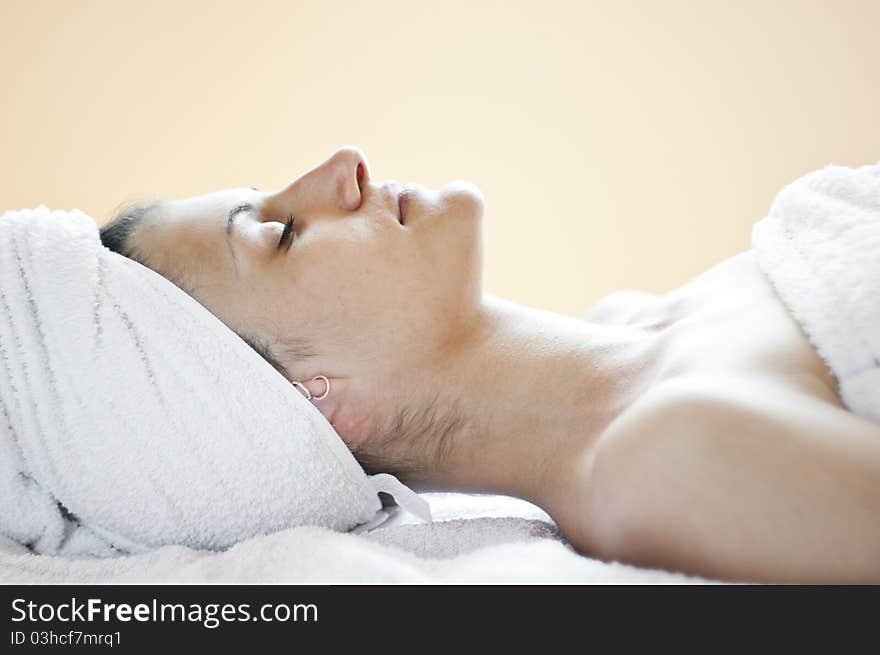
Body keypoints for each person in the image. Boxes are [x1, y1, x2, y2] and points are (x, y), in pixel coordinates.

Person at [99, 146, 880, 583]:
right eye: (279, 233)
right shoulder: (666, 456)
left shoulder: (634, 317)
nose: (343, 167)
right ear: (315, 399)